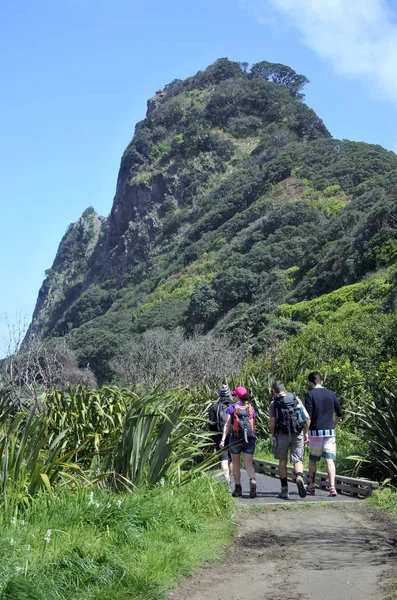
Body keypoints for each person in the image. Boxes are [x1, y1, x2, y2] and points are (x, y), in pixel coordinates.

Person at [304, 372, 343, 497]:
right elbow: (340, 412)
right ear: (321, 381)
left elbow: (307, 416)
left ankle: (312, 486)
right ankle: (332, 487)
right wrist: (334, 423)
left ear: (311, 383)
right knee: (329, 459)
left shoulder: (310, 395)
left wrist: (305, 433)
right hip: (330, 431)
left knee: (313, 459)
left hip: (315, 432)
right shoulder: (331, 394)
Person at [269, 381, 310, 499]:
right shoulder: (295, 398)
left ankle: (284, 489)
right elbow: (307, 417)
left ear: (274, 391)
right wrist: (305, 433)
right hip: (297, 433)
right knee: (298, 460)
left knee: (282, 461)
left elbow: (273, 422)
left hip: (282, 434)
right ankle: (299, 476)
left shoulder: (274, 403)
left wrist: (273, 434)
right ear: (284, 388)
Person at [220, 386, 257, 498]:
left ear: (237, 396)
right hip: (249, 439)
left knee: (236, 464)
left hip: (235, 439)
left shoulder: (231, 408)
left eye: (234, 395)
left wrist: (222, 440)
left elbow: (227, 424)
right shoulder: (251, 408)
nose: (233, 397)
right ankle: (253, 480)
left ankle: (238, 488)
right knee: (249, 465)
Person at [208, 384, 233, 482]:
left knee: (224, 458)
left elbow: (211, 424)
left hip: (219, 436)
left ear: (219, 395)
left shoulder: (215, 407)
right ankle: (231, 479)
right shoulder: (233, 406)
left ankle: (226, 479)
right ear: (230, 394)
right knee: (231, 458)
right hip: (232, 435)